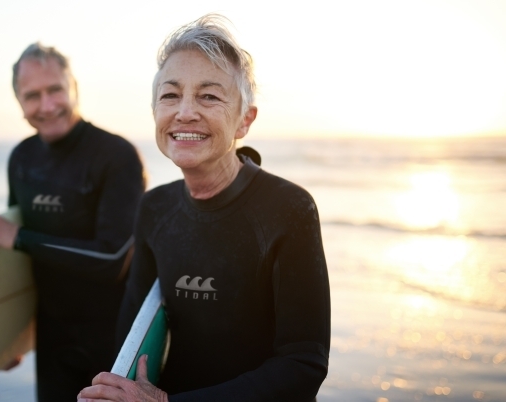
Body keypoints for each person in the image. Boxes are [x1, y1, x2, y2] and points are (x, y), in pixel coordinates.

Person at [78, 14, 330, 402]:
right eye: (170, 95)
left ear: (244, 121)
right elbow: (134, 334)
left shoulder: (289, 210)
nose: (185, 112)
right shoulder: (155, 208)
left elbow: (303, 364)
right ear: (155, 114)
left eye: (209, 96)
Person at [0, 43, 145, 401]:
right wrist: (10, 336)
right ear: (18, 102)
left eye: (55, 90)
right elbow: (20, 265)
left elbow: (112, 261)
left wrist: (18, 237)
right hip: (52, 341)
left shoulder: (116, 156)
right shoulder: (23, 158)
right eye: (32, 96)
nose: (46, 106)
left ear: (73, 87)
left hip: (114, 341)